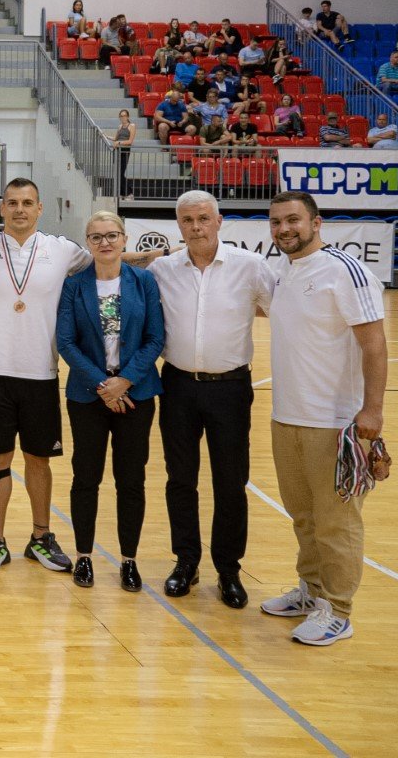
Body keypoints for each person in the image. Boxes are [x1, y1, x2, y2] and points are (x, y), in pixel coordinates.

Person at [260, 191, 387, 646]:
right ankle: (311, 591)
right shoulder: (281, 272)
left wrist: (372, 411)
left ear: (316, 223)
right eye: (276, 222)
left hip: (335, 422)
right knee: (303, 515)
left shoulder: (346, 271)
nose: (284, 229)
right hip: (286, 416)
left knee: (337, 522)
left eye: (293, 220)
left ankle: (338, 609)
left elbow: (375, 345)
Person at [0, 180, 91, 576]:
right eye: (12, 203)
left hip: (41, 373)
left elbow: (109, 258)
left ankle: (41, 536)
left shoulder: (62, 250)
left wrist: (163, 255)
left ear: (39, 208)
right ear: (2, 209)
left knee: (38, 458)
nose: (20, 209)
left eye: (27, 203)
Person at [148, 191, 275, 608]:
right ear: (178, 225)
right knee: (180, 479)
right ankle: (186, 561)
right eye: (187, 220)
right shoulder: (163, 269)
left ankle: (228, 569)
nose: (196, 227)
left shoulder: (251, 266)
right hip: (178, 386)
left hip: (231, 389)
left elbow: (284, 312)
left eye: (203, 218)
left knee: (230, 482)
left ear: (219, 221)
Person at [55, 211, 164, 592]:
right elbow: (66, 341)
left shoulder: (144, 281)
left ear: (124, 239)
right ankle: (83, 556)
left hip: (136, 395)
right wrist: (104, 385)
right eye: (96, 237)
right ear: (88, 242)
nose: (105, 242)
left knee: (131, 480)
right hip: (88, 396)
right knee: (86, 477)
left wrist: (125, 381)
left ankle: (128, 560)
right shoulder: (74, 285)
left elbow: (155, 337)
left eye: (112, 235)